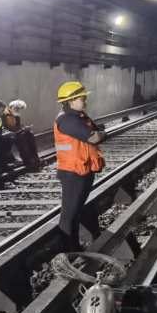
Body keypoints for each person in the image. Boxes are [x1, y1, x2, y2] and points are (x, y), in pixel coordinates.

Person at [53, 80, 106, 251]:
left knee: (76, 211)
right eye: (82, 98)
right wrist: (101, 134)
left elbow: (97, 131)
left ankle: (74, 247)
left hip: (83, 169)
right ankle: (68, 250)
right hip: (72, 173)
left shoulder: (79, 117)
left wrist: (100, 133)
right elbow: (94, 137)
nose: (85, 100)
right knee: (69, 214)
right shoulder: (66, 120)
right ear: (71, 101)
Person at [3, 99, 41, 171]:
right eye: (17, 108)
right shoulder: (6, 114)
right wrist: (22, 130)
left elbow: (18, 127)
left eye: (19, 109)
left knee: (30, 134)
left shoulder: (16, 115)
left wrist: (24, 128)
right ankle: (27, 159)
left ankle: (34, 157)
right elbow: (8, 127)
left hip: (15, 132)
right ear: (12, 107)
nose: (18, 111)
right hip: (8, 134)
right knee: (21, 137)